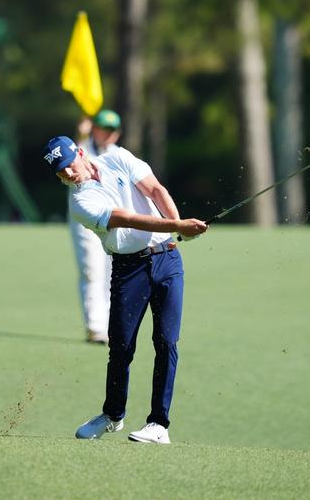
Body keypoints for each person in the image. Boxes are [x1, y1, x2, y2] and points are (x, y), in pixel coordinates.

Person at [42, 134, 207, 445]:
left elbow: (155, 190)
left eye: (68, 164)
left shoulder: (117, 158)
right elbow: (129, 219)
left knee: (166, 342)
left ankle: (159, 424)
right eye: (60, 172)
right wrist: (177, 226)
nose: (67, 173)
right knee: (121, 348)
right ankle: (113, 416)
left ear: (79, 153)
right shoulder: (81, 202)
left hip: (167, 259)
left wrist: (177, 227)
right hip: (128, 270)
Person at [70, 108, 124, 345]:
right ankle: (95, 327)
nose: (108, 134)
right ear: (95, 128)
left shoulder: (117, 154)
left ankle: (112, 325)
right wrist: (80, 134)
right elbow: (73, 154)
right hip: (86, 222)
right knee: (91, 270)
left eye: (112, 130)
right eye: (104, 129)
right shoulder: (83, 150)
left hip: (112, 220)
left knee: (113, 272)